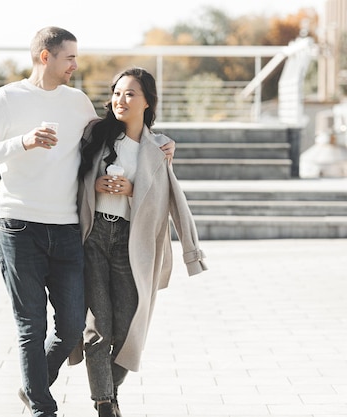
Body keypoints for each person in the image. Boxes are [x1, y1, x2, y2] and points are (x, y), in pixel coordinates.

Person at [0, 28, 175, 417]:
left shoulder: (77, 102)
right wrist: (22, 142)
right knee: (31, 326)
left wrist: (161, 140)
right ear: (46, 57)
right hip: (17, 225)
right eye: (70, 58)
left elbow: (115, 131)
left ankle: (33, 386)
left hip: (66, 229)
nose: (76, 65)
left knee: (71, 330)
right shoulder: (8, 98)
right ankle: (43, 408)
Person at [75, 67, 208, 417]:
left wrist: (134, 191)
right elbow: (71, 178)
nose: (121, 100)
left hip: (132, 245)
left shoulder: (157, 148)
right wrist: (95, 185)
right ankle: (105, 405)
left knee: (128, 329)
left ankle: (109, 393)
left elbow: (169, 199)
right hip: (94, 237)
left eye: (130, 93)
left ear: (147, 101)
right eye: (117, 93)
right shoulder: (96, 135)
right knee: (97, 329)